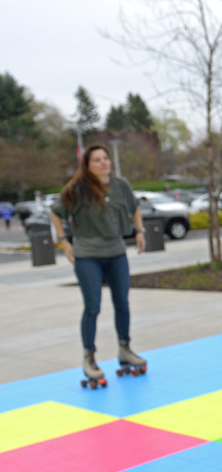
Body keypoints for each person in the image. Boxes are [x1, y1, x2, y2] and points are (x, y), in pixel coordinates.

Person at [50, 145, 148, 386]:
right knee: (92, 307)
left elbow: (134, 207)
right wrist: (64, 241)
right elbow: (55, 212)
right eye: (97, 160)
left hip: (116, 253)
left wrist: (139, 230)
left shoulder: (121, 185)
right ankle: (89, 358)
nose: (104, 162)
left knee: (122, 303)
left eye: (106, 158)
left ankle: (124, 349)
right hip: (88, 256)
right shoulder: (77, 188)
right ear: (87, 165)